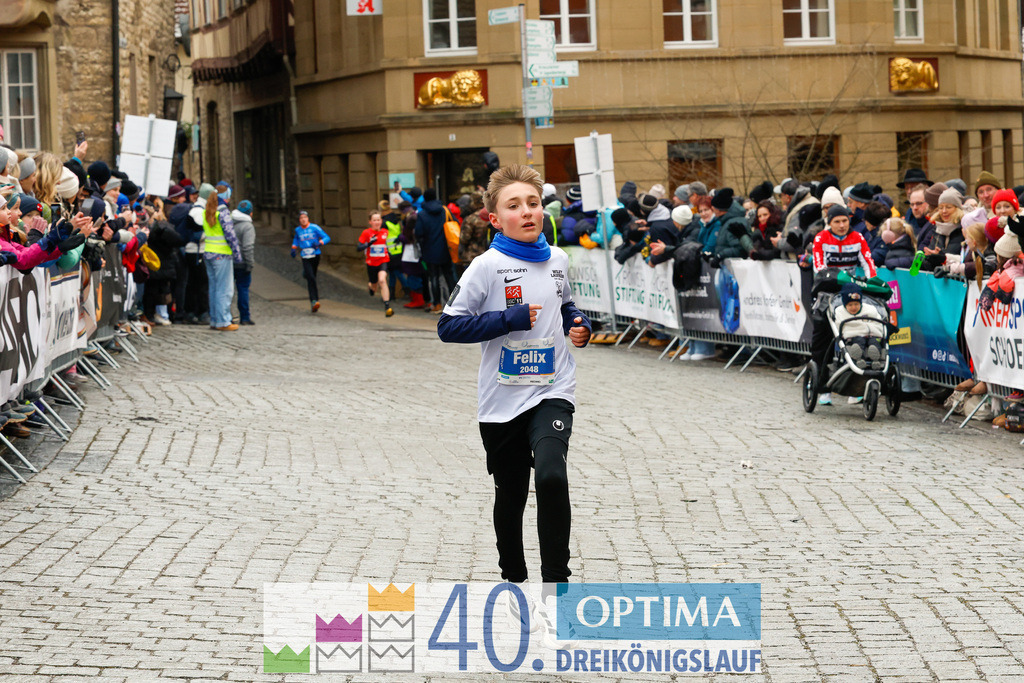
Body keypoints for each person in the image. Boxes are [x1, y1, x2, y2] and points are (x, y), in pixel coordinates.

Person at [437, 164, 591, 641]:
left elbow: (565, 304)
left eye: (533, 203)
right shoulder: (485, 268)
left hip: (552, 389)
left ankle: (557, 590)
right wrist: (509, 318)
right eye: (514, 205)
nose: (527, 212)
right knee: (511, 493)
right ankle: (514, 579)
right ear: (494, 218)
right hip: (502, 401)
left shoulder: (559, 259)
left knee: (550, 475)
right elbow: (448, 326)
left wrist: (578, 323)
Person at [811, 205, 877, 406]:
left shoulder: (858, 237)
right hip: (827, 291)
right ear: (829, 222)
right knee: (824, 340)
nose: (841, 225)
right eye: (836, 222)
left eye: (844, 221)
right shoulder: (821, 238)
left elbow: (868, 263)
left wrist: (872, 281)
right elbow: (820, 268)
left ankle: (856, 385)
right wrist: (842, 279)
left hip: (851, 292)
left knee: (858, 333)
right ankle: (822, 388)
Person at [201, 185, 243, 331]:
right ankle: (223, 321)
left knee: (213, 289)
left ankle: (214, 319)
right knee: (224, 289)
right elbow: (230, 235)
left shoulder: (207, 212)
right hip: (222, 255)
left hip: (209, 253)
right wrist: (237, 255)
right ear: (226, 196)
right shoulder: (223, 212)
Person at [415, 187, 456, 313]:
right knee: (450, 277)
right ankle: (455, 303)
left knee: (434, 278)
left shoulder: (422, 214)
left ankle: (437, 304)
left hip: (429, 250)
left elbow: (418, 233)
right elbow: (455, 223)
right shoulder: (445, 210)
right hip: (446, 250)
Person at [291, 210, 330, 312]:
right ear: (299, 220)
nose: (303, 220)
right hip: (305, 256)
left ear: (308, 218)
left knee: (312, 275)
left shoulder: (315, 228)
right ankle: (314, 301)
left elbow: (327, 237)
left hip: (315, 255)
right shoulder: (297, 230)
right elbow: (296, 239)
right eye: (301, 218)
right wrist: (293, 248)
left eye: (305, 217)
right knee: (311, 278)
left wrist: (319, 243)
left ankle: (306, 273)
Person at [357, 210, 394, 317]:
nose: (377, 222)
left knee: (382, 280)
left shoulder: (385, 232)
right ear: (370, 222)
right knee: (374, 285)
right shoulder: (366, 233)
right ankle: (371, 287)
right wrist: (369, 243)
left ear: (381, 221)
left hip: (383, 261)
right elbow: (358, 248)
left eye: (378, 220)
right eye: (374, 220)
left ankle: (387, 306)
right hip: (371, 263)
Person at [232, 199, 256, 324]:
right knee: (243, 289)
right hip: (242, 263)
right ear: (250, 213)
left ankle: (226, 315)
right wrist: (250, 263)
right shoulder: (248, 226)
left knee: (228, 290)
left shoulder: (231, 222)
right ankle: (245, 317)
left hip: (229, 261)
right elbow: (248, 247)